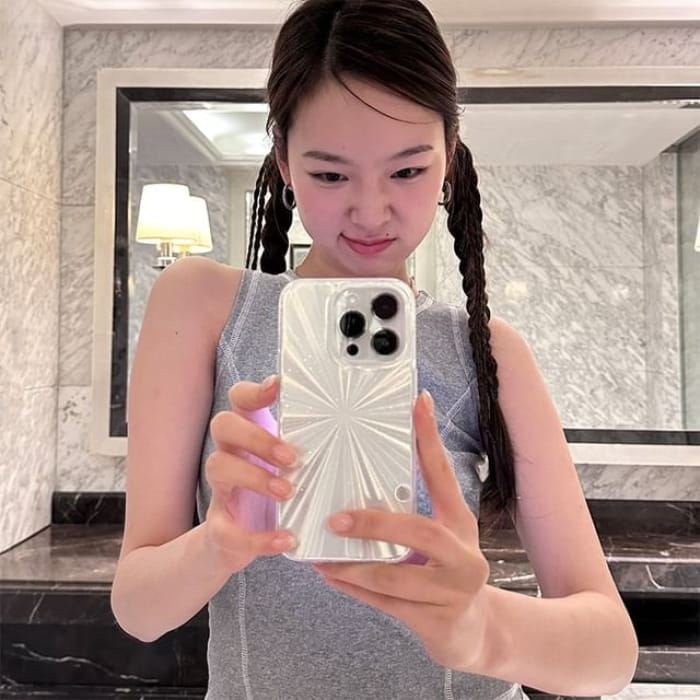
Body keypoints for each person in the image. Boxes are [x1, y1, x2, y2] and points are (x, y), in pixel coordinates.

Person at [111, 1, 639, 698]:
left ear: (449, 156)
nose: (369, 211)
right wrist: (218, 543)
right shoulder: (202, 305)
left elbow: (611, 652)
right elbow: (139, 607)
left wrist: (482, 627)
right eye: (331, 175)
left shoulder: (487, 351)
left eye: (407, 172)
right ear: (284, 162)